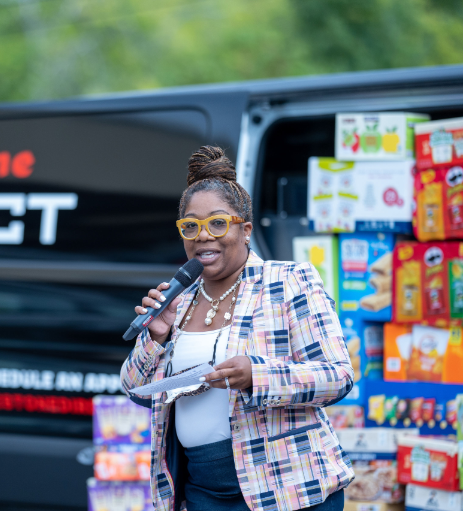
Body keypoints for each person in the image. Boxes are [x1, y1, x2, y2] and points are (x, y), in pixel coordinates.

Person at [121, 146, 354, 511]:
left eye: (217, 223)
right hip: (203, 491)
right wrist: (157, 335)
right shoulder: (178, 301)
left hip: (288, 489)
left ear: (245, 230)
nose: (203, 236)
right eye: (191, 226)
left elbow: (337, 376)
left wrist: (256, 375)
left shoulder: (289, 281)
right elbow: (135, 390)